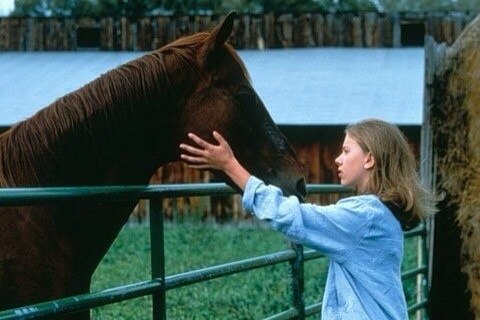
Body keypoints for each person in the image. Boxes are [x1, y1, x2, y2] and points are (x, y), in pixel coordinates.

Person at [179, 118, 436, 320]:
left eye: (346, 151)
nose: (338, 158)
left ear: (369, 159)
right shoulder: (379, 213)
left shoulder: (365, 216)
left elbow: (292, 216)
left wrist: (230, 165)